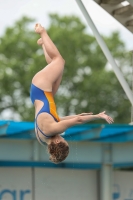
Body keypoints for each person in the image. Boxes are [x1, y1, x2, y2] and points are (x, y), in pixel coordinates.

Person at [30, 23, 114, 164]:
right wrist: (80, 115)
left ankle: (42, 32)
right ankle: (43, 44)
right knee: (56, 68)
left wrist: (97, 117)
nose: (63, 137)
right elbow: (60, 119)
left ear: (57, 142)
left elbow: (77, 122)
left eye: (64, 139)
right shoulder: (43, 137)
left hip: (41, 86)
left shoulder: (53, 130)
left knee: (59, 61)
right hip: (42, 94)